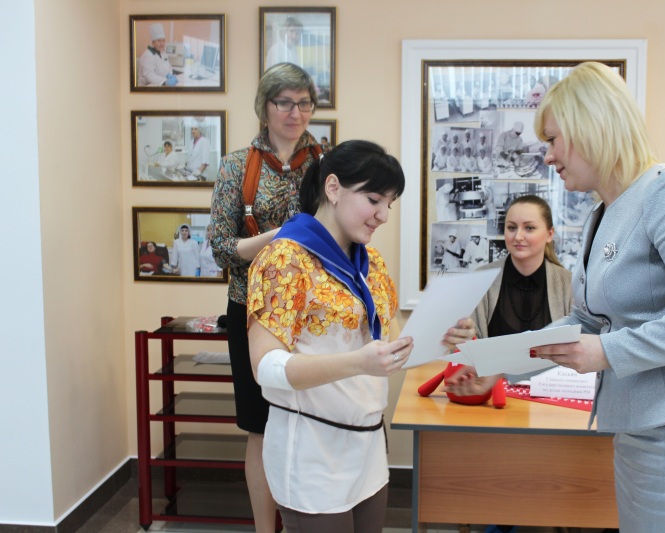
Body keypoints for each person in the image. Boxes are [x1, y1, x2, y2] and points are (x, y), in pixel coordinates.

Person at [449, 62, 665, 533]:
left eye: (553, 139)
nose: (547, 156)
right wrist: (492, 360)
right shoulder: (605, 213)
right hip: (640, 430)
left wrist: (608, 351)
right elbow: (588, 322)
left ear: (590, 127)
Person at [247, 140, 475, 532]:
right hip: (311, 449)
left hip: (367, 444)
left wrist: (444, 338)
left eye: (390, 203)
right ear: (333, 188)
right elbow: (266, 368)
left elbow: (394, 349)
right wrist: (358, 362)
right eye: (374, 200)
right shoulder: (284, 259)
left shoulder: (371, 264)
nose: (383, 215)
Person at [210, 62, 324, 533]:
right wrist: (278, 238)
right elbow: (221, 247)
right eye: (285, 103)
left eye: (304, 103)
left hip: (315, 312)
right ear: (265, 107)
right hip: (252, 311)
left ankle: (312, 522)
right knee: (260, 427)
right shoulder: (237, 166)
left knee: (314, 420)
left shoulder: (329, 164)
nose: (295, 113)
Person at [447, 195, 573, 533]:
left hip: (550, 402)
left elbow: (574, 346)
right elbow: (466, 348)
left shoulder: (568, 282)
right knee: (498, 481)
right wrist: (462, 337)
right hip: (493, 402)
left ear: (549, 234)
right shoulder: (482, 278)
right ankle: (503, 518)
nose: (518, 236)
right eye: (511, 227)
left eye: (529, 228)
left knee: (551, 481)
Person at [137, 23, 178, 87]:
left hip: (160, 85)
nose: (162, 43)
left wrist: (169, 75)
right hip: (147, 87)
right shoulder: (147, 55)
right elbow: (149, 75)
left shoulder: (163, 53)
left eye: (163, 40)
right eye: (159, 41)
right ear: (153, 42)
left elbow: (169, 67)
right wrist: (165, 81)